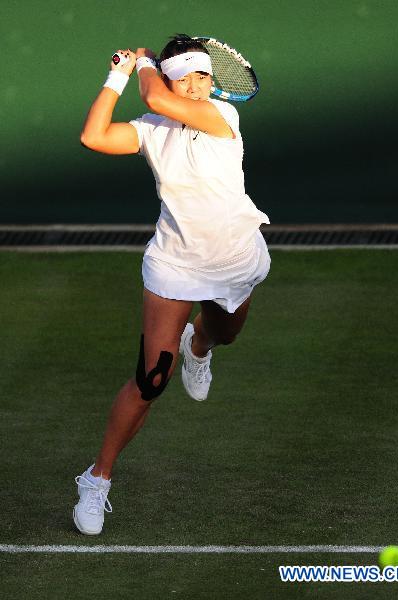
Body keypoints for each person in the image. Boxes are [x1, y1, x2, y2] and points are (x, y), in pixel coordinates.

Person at [73, 34, 270, 535]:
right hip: (175, 264)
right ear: (173, 77)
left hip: (233, 257)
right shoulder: (151, 128)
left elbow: (157, 96)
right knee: (151, 380)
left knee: (224, 333)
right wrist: (118, 76)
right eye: (190, 75)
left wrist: (142, 62)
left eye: (206, 75)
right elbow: (93, 137)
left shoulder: (224, 118)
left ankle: (199, 344)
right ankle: (97, 479)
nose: (200, 84)